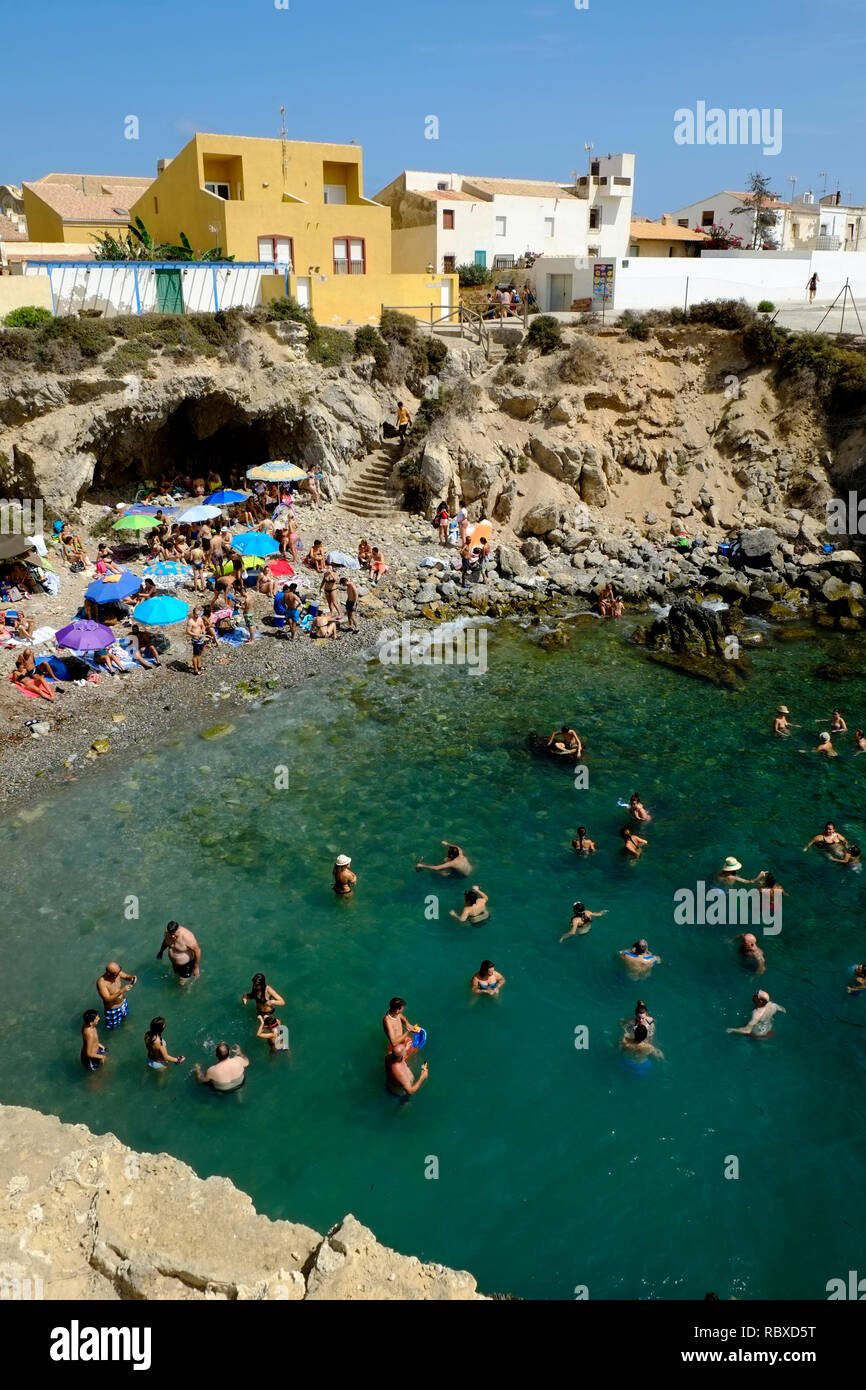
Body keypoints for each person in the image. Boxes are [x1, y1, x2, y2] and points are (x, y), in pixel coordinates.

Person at [96, 961, 137, 1030]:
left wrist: (131, 977)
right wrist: (122, 991)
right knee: (112, 1028)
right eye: (117, 974)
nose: (119, 974)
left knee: (124, 1017)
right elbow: (107, 999)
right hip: (113, 1009)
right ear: (109, 974)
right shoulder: (101, 983)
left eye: (119, 971)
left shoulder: (117, 973)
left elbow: (126, 976)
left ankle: (126, 1026)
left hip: (123, 1003)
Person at [186, 607, 207, 675]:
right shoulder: (190, 621)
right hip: (195, 639)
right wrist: (196, 634)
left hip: (201, 638)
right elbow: (188, 631)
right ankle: (195, 670)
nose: (197, 616)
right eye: (196, 614)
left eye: (198, 614)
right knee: (195, 655)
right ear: (193, 613)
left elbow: (203, 626)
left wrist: (203, 630)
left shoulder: (200, 618)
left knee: (200, 653)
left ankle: (199, 666)